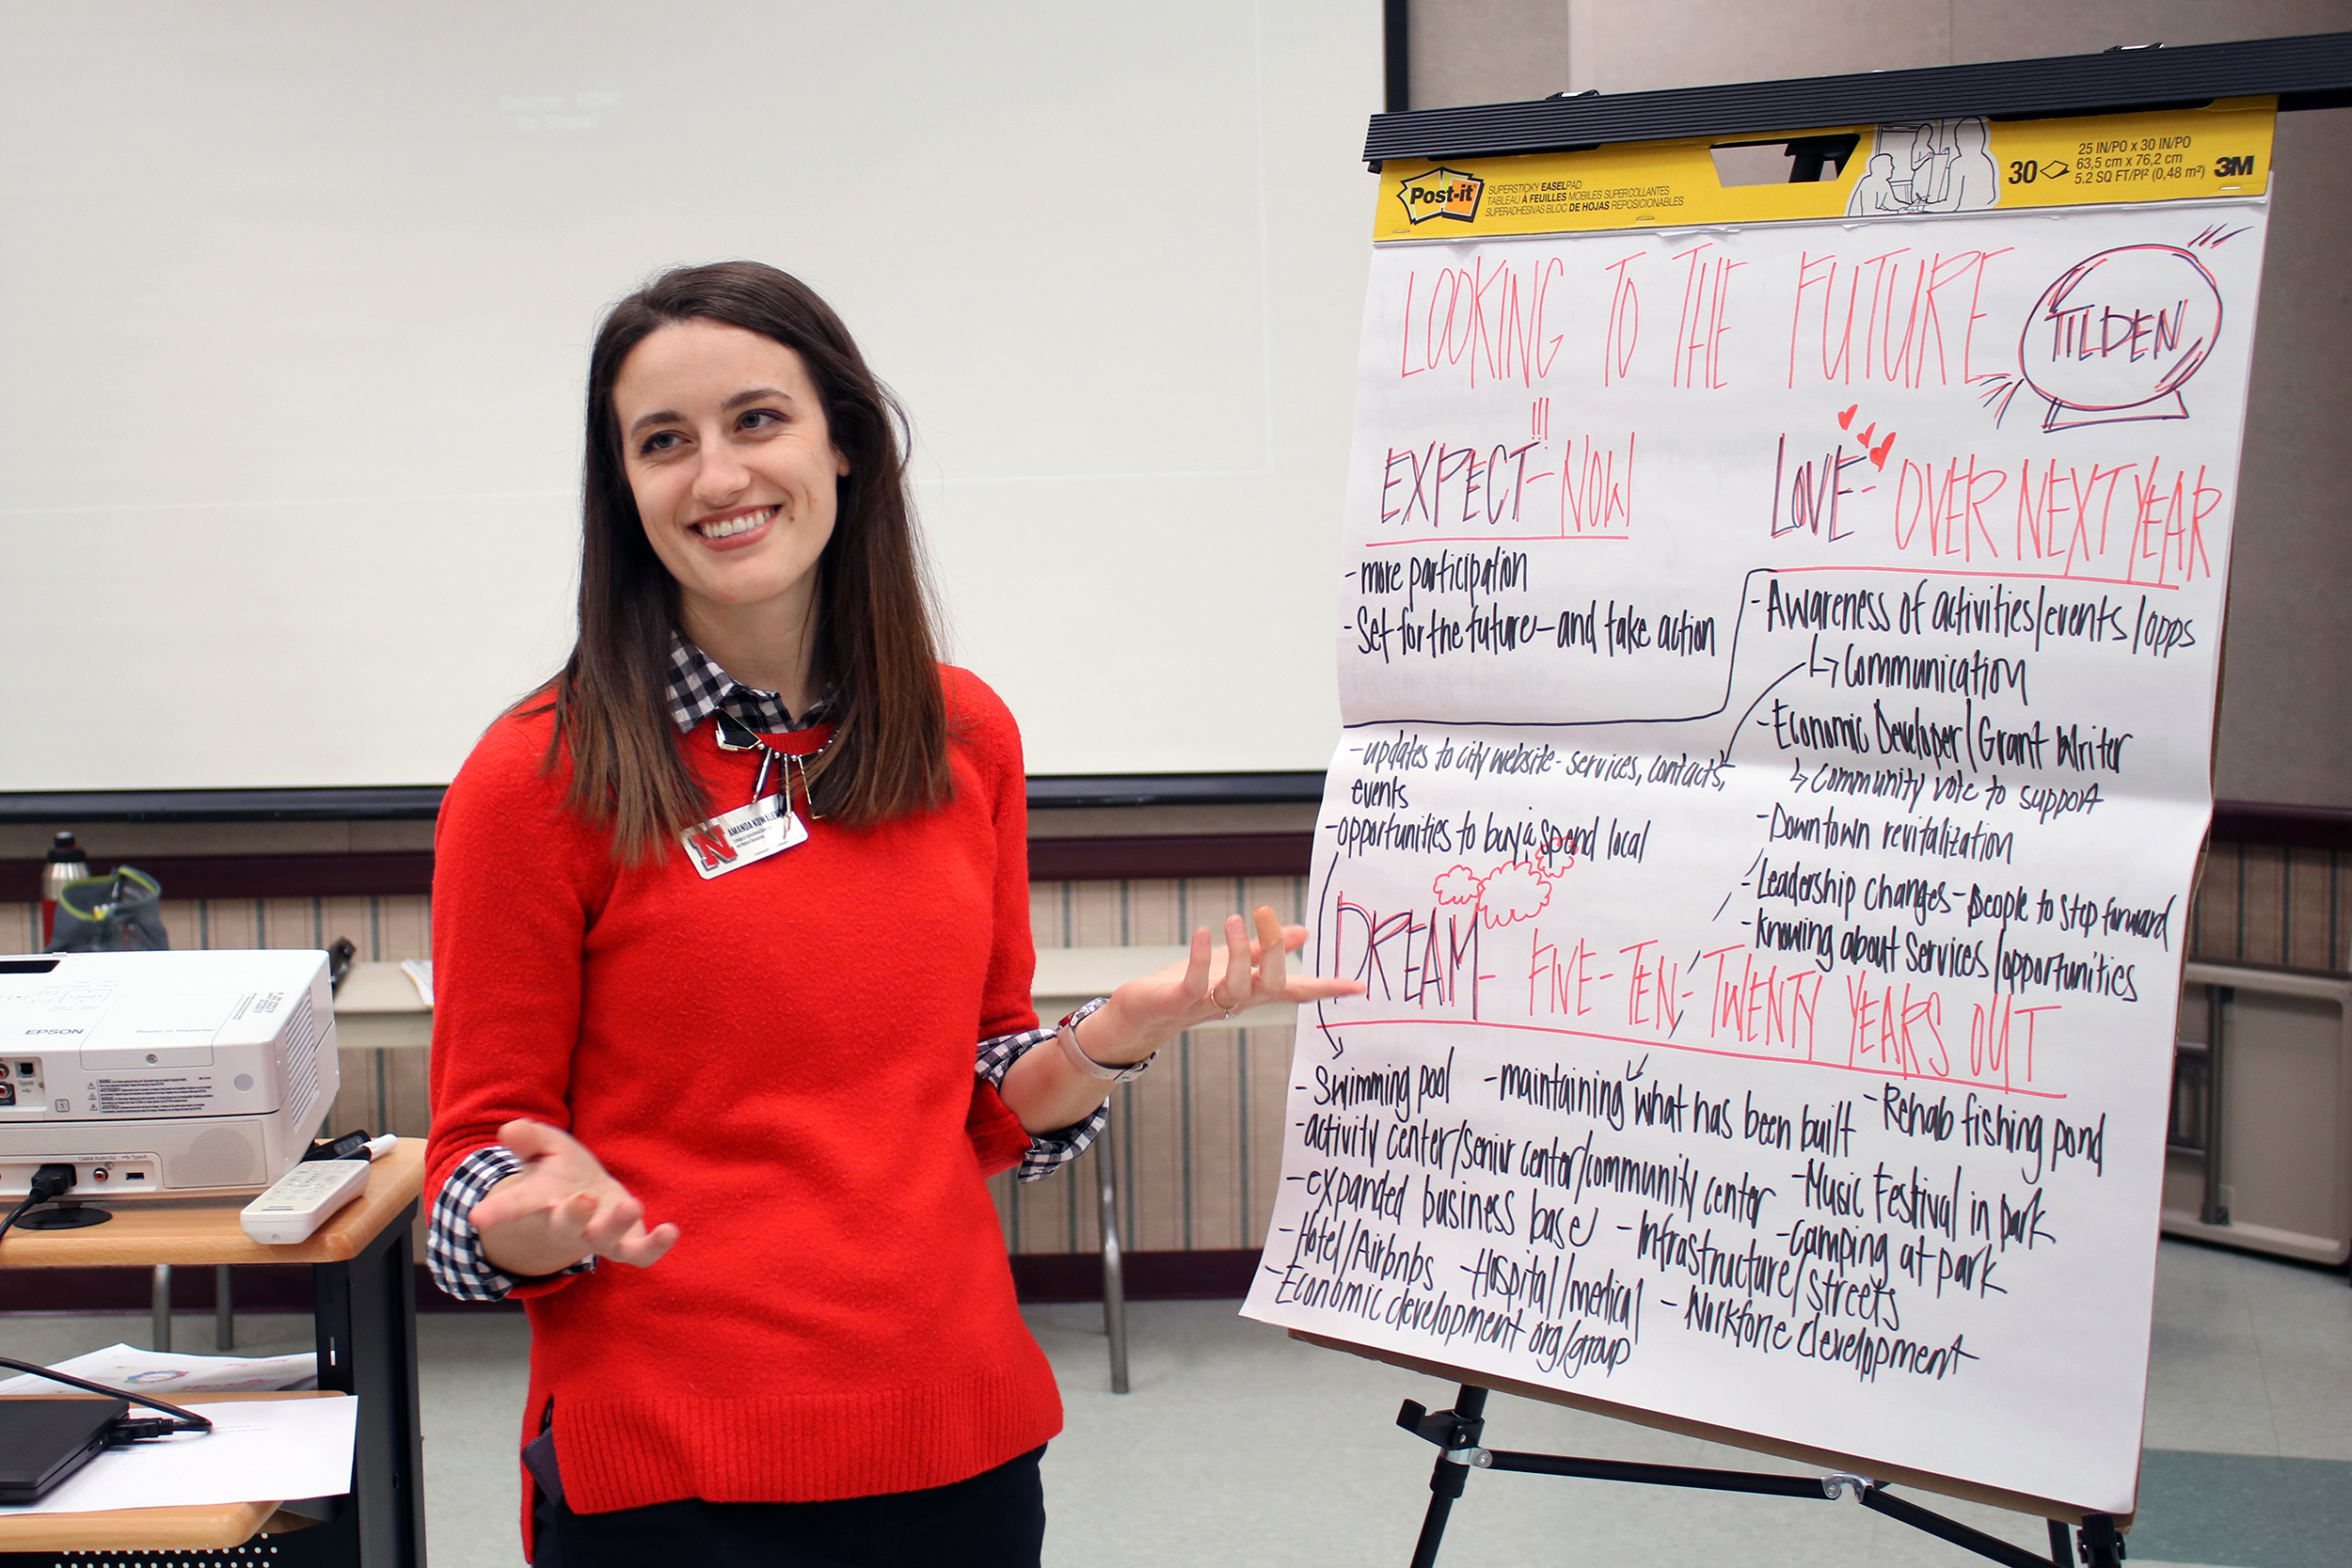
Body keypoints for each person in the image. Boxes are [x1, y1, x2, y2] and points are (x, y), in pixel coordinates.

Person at [422, 261, 1359, 1567]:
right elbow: (467, 1180)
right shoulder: (536, 778)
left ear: (845, 443)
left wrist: (1112, 1040)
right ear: (623, 490)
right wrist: (531, 1222)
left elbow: (982, 1106)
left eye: (757, 420)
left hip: (955, 1439)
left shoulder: (963, 733)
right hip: (675, 1473)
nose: (718, 478)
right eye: (663, 443)